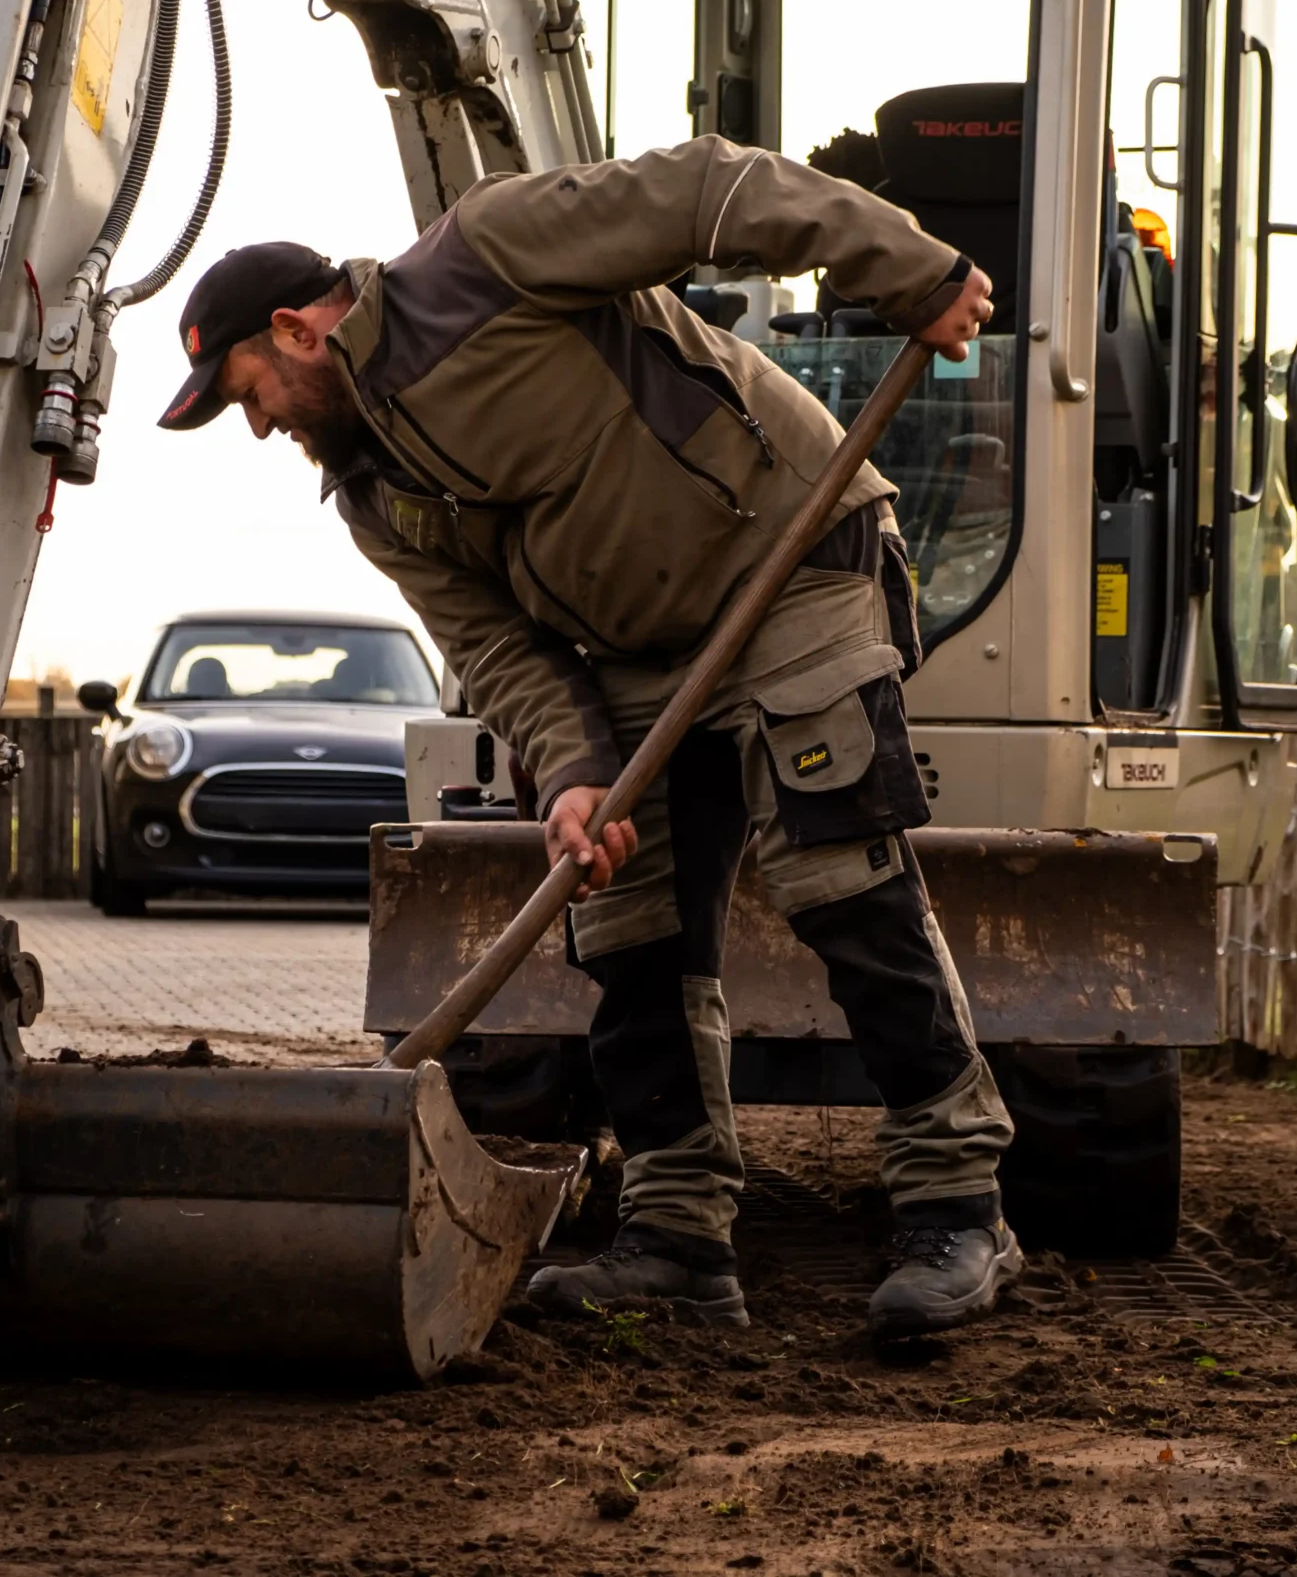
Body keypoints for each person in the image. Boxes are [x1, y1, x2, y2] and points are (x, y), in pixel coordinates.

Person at [157, 136, 1017, 1337]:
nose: (257, 429)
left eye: (246, 395)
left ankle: (955, 1207)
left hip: (786, 568)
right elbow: (498, 648)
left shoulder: (487, 252)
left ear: (299, 330)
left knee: (838, 877)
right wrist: (571, 775)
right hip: (629, 658)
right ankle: (676, 1239)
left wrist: (908, 272)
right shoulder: (369, 493)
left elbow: (714, 189)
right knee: (628, 928)